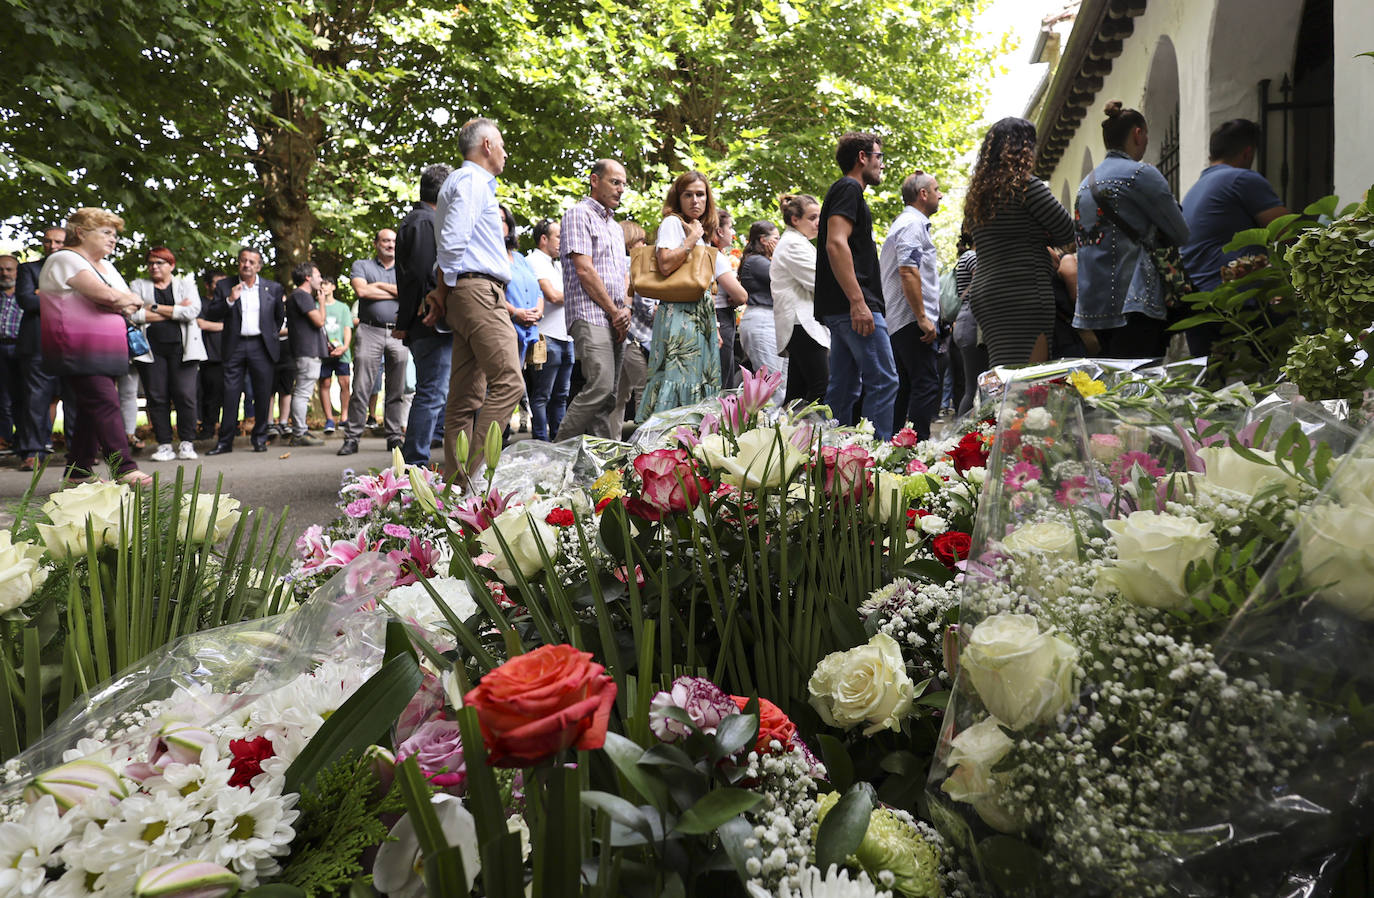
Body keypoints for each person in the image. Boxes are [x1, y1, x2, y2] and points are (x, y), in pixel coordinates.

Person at [421, 117, 521, 481]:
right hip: (478, 291)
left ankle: (456, 484)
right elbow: (451, 244)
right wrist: (446, 290)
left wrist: (444, 292)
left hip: (468, 292)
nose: (506, 152)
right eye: (503, 144)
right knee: (510, 381)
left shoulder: (463, 182)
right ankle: (472, 482)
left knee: (465, 398)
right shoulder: (471, 181)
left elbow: (451, 248)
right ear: (487, 146)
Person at [37, 207, 150, 484]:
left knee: (91, 409)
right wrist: (121, 299)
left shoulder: (106, 266)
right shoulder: (65, 258)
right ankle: (124, 467)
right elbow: (110, 296)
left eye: (114, 234)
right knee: (104, 402)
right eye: (106, 233)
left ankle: (78, 473)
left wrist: (123, 299)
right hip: (76, 347)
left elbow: (133, 302)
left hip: (106, 351)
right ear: (81, 232)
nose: (113, 239)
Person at [1073, 101, 1190, 359]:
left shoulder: (1084, 185)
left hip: (1094, 308)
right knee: (1141, 386)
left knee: (1111, 389)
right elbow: (1181, 234)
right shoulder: (1140, 174)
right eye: (1146, 134)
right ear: (1138, 134)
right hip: (1136, 302)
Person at [963, 117, 1075, 367]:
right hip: (1024, 292)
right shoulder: (1027, 186)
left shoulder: (978, 197)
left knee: (1002, 377)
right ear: (1024, 148)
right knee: (1027, 382)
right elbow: (1067, 231)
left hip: (987, 295)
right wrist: (1044, 235)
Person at [637, 171, 743, 421]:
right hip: (679, 314)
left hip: (699, 315)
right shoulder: (674, 223)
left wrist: (713, 326)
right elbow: (665, 263)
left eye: (700, 194)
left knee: (697, 377)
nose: (695, 200)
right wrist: (693, 238)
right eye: (688, 195)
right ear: (678, 197)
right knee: (677, 376)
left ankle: (691, 440)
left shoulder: (700, 230)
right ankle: (670, 441)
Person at [1180, 118, 1290, 357]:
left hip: (1199, 302)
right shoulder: (1242, 179)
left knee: (1211, 385)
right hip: (1237, 301)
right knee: (1278, 366)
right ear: (1248, 152)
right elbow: (1286, 231)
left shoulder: (1196, 187)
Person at [814, 131, 898, 440]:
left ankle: (833, 460)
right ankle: (877, 461)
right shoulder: (849, 188)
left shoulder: (845, 191)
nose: (881, 165)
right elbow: (836, 244)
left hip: (841, 308)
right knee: (883, 381)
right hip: (854, 306)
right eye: (879, 157)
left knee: (845, 387)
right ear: (862, 157)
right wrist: (858, 300)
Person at [556, 159, 631, 440]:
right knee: (599, 386)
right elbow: (584, 269)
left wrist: (624, 310)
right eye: (615, 182)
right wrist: (614, 310)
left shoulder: (615, 226)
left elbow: (621, 274)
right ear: (594, 180)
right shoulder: (579, 214)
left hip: (615, 316)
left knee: (608, 396)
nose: (621, 189)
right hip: (590, 313)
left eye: (623, 183)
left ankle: (600, 467)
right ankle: (556, 450)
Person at [395, 162, 452, 465]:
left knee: (433, 391)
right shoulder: (426, 222)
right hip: (431, 322)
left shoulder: (417, 220)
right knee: (431, 393)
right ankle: (414, 463)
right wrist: (433, 304)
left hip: (422, 322)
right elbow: (420, 274)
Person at [204, 246, 286, 454]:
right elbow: (212, 314)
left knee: (262, 392)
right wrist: (230, 300)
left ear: (258, 266)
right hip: (234, 345)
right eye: (243, 260)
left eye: (251, 262)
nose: (246, 264)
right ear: (238, 263)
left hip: (261, 345)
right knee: (230, 394)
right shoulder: (224, 286)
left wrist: (269, 335)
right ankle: (225, 442)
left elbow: (278, 318)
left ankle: (259, 438)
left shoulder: (273, 288)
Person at [881, 171, 944, 440]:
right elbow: (907, 270)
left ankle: (896, 449)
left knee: (905, 387)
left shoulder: (905, 223)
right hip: (911, 321)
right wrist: (922, 317)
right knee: (926, 384)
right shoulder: (911, 224)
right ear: (923, 194)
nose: (940, 194)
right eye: (937, 189)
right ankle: (919, 450)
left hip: (901, 320)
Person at [129, 247, 206, 461]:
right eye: (151, 263)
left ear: (171, 265)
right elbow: (133, 314)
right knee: (157, 397)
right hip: (151, 351)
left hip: (184, 350)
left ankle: (187, 443)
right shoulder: (138, 285)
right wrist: (173, 310)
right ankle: (164, 444)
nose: (154, 267)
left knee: (185, 395)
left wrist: (152, 307)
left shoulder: (185, 284)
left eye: (160, 262)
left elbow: (192, 312)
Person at [339, 228, 408, 454]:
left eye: (394, 241)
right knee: (361, 387)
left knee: (396, 389)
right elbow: (361, 291)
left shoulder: (405, 266)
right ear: (376, 243)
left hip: (399, 332)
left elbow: (410, 292)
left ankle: (394, 436)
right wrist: (396, 292)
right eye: (385, 240)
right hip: (369, 330)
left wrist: (377, 286)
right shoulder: (362, 265)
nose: (390, 244)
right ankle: (352, 437)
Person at [14, 227, 68, 471]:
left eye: (58, 241)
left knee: (73, 398)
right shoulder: (29, 269)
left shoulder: (76, 269)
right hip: (36, 344)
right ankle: (33, 451)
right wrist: (63, 296)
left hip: (70, 343)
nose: (52, 246)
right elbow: (27, 301)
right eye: (48, 241)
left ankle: (79, 452)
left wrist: (43, 293)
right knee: (36, 399)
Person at [771, 194, 827, 407]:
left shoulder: (797, 241)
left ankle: (784, 436)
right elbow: (819, 283)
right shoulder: (793, 244)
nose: (818, 222)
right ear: (795, 220)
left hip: (800, 324)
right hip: (801, 323)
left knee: (797, 394)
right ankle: (812, 437)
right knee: (821, 389)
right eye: (812, 217)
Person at [525, 218, 573, 441]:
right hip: (547, 337)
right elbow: (552, 295)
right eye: (558, 237)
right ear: (543, 239)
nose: (563, 242)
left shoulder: (559, 263)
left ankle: (559, 439)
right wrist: (577, 295)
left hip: (566, 336)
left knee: (561, 395)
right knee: (542, 394)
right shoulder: (534, 260)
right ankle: (541, 442)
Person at [610, 220, 653, 436]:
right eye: (641, 240)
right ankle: (645, 444)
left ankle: (613, 442)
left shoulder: (615, 265)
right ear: (629, 243)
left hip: (623, 339)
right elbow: (646, 306)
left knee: (619, 396)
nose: (645, 245)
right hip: (638, 339)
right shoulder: (635, 266)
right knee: (643, 393)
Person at [737, 220, 786, 396]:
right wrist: (779, 256)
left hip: (774, 321)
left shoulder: (764, 260)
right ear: (764, 240)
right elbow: (784, 277)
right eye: (777, 238)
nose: (780, 243)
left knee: (781, 384)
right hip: (762, 320)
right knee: (771, 385)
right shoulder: (756, 261)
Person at [281, 261, 327, 447]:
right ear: (308, 277)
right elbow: (319, 321)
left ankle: (301, 431)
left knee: (301, 391)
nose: (321, 279)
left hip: (305, 351)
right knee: (302, 392)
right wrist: (321, 303)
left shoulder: (298, 296)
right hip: (307, 352)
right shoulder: (302, 295)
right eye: (317, 275)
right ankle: (299, 433)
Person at [500, 205, 542, 366]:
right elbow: (488, 291)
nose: (497, 223)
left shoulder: (520, 258)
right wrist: (515, 312)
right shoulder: (489, 258)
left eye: (502, 220)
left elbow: (539, 292)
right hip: (504, 329)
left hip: (527, 331)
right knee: (508, 384)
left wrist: (537, 312)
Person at [951, 235, 982, 415]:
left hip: (965, 321)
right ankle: (961, 436)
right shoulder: (972, 257)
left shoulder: (966, 257)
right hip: (971, 322)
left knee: (972, 387)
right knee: (973, 389)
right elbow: (980, 284)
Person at [317, 278, 352, 435]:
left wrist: (344, 347)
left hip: (341, 352)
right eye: (321, 284)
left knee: (344, 383)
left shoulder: (343, 307)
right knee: (325, 383)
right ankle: (329, 419)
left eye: (326, 284)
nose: (323, 287)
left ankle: (344, 417)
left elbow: (347, 328)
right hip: (323, 353)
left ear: (333, 287)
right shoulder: (316, 306)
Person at [195, 270, 227, 440]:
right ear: (208, 285)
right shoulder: (201, 303)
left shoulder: (229, 303)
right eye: (217, 283)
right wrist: (226, 326)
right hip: (210, 356)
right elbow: (200, 323)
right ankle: (208, 428)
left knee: (229, 394)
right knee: (210, 395)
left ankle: (230, 427)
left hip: (229, 355)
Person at [0, 255, 21, 451]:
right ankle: (4, 439)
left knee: (25, 396)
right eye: (1, 269)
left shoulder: (25, 295)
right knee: (2, 396)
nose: (4, 273)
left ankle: (24, 440)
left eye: (9, 269)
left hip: (21, 349)